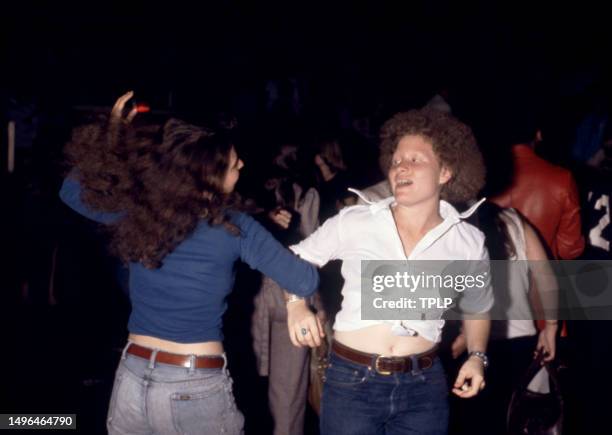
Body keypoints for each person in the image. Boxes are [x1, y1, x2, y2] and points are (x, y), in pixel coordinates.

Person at [59, 92, 320, 435]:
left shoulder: (142, 213)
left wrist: (115, 134)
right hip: (193, 386)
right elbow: (304, 279)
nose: (241, 164)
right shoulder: (235, 226)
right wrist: (296, 303)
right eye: (233, 160)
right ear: (209, 173)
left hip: (133, 376)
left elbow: (71, 190)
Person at [287, 108, 493, 435]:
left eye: (416, 160)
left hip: (424, 387)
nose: (401, 167)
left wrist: (477, 356)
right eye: (396, 160)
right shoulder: (357, 221)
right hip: (353, 381)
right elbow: (296, 258)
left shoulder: (467, 242)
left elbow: (478, 306)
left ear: (446, 172)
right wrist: (297, 304)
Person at [449, 202, 558, 435]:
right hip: (520, 340)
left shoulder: (450, 222)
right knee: (515, 420)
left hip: (469, 345)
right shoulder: (513, 219)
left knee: (473, 422)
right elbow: (546, 276)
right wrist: (551, 327)